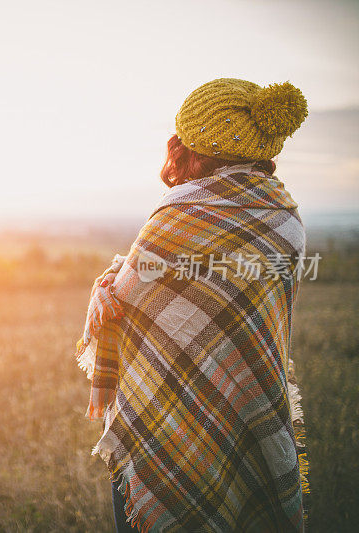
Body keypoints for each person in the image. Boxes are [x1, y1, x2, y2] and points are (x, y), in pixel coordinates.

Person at [75, 78, 310, 532]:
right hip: (251, 408)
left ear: (190, 145)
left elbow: (124, 296)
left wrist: (107, 281)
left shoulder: (179, 212)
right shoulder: (285, 218)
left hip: (164, 426)